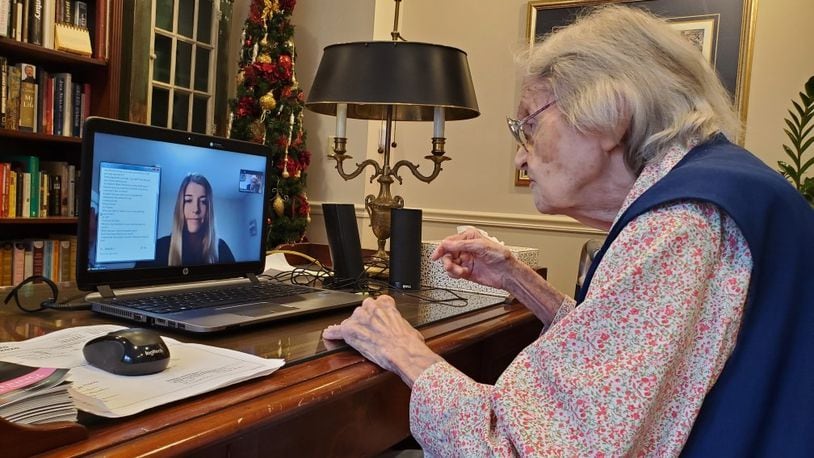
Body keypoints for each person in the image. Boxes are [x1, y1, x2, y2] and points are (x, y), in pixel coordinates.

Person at [322, 5, 814, 456]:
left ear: (611, 116)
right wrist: (518, 279)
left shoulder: (679, 227)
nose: (520, 155)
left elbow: (524, 449)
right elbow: (626, 357)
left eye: (528, 126)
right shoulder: (719, 188)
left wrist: (402, 349)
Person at [152, 173, 235, 266]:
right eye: (188, 200)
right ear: (180, 207)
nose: (196, 209)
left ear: (209, 209)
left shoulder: (222, 249)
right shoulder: (158, 248)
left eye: (203, 202)